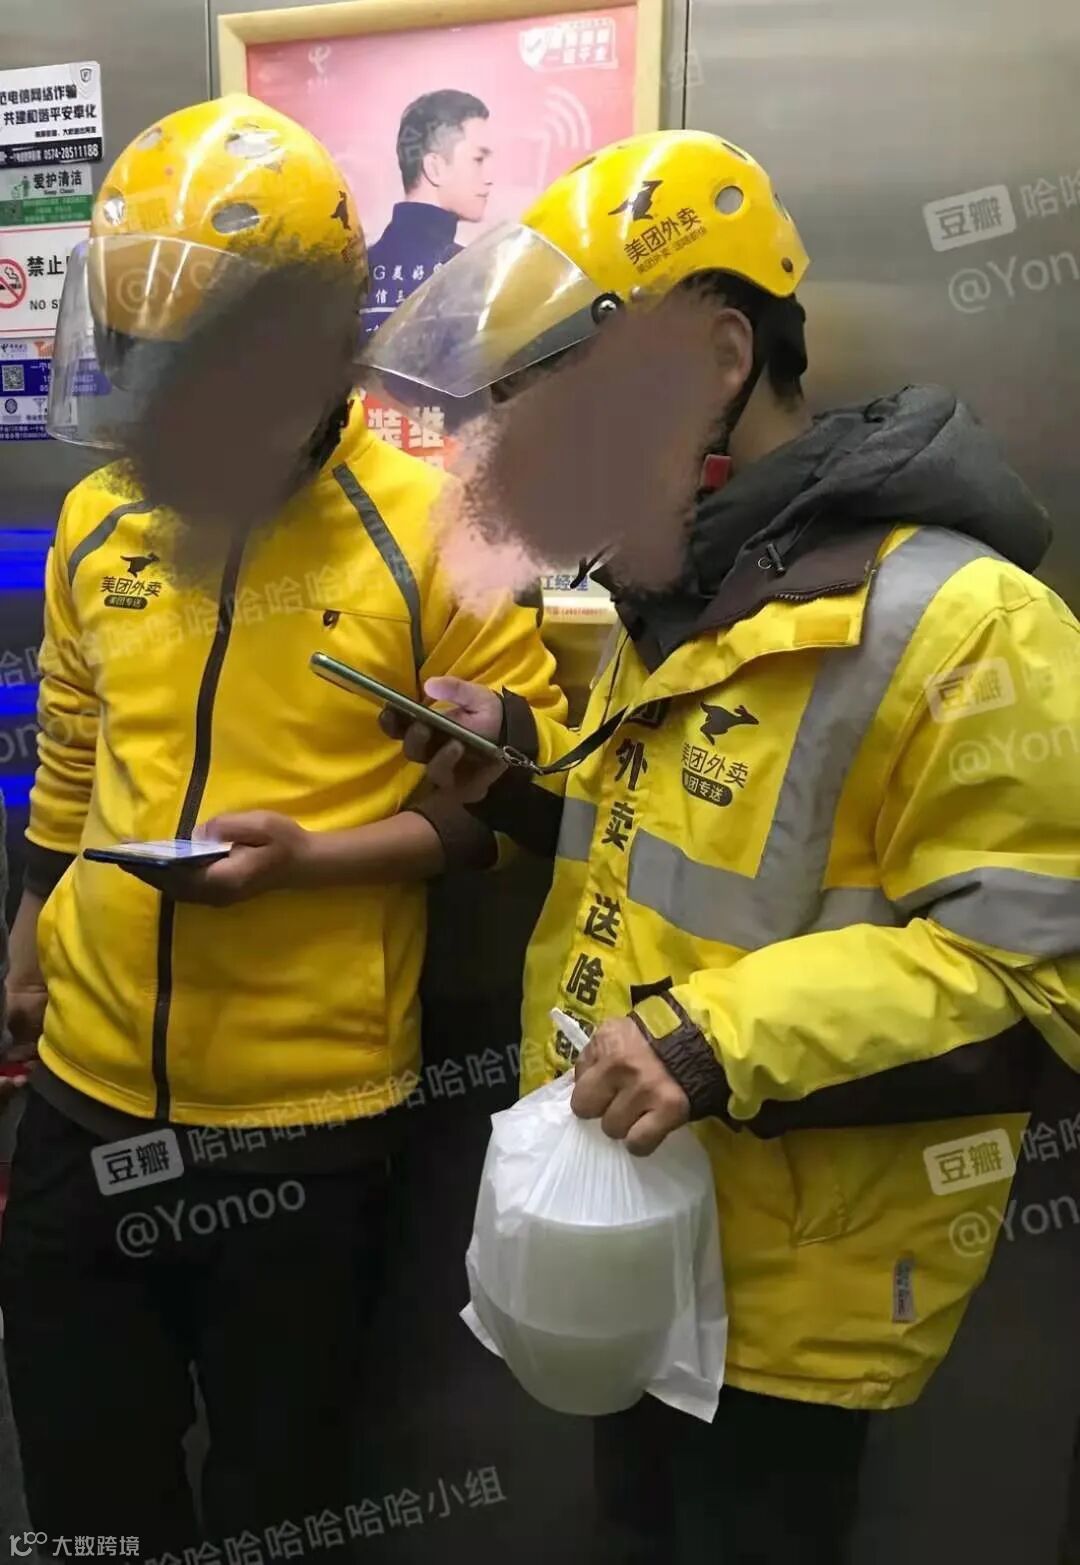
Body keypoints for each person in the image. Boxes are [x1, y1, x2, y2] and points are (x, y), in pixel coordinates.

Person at [369, 129, 1080, 1563]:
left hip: (793, 1288)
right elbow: (677, 851)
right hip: (634, 1235)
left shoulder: (968, 626)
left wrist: (713, 1041)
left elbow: (1040, 983)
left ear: (716, 356)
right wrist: (523, 772)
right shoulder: (695, 593)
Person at [0, 94, 564, 1558]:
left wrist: (313, 859)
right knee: (84, 1498)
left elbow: (501, 819)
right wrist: (31, 924)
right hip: (84, 1097)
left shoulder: (443, 525)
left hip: (303, 1125)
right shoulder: (103, 519)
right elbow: (74, 750)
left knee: (278, 1504)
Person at [361, 89, 494, 340]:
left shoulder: (356, 270)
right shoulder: (474, 276)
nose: (489, 178)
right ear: (435, 168)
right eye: (478, 159)